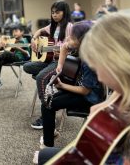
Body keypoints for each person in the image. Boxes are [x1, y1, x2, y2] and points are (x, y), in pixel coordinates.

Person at [34, 13, 130, 164]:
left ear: (114, 61)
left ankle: (48, 139)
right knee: (45, 155)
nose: (101, 78)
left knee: (44, 157)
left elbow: (86, 90)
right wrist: (106, 105)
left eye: (95, 63)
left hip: (88, 99)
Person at [38, 21, 104, 151]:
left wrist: (62, 86)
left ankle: (48, 145)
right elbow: (63, 49)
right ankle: (50, 135)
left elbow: (85, 91)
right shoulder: (82, 48)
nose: (68, 39)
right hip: (81, 91)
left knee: (48, 104)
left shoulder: (89, 60)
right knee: (48, 101)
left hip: (89, 99)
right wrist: (61, 58)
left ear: (81, 40)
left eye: (72, 37)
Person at [23, 0, 73, 129]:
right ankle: (49, 83)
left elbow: (73, 49)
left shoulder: (69, 27)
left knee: (40, 78)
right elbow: (39, 31)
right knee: (27, 66)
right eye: (52, 12)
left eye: (57, 12)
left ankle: (47, 114)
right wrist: (34, 39)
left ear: (65, 12)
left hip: (62, 63)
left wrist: (62, 53)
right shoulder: (52, 26)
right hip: (50, 60)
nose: (54, 15)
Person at [0, 25, 30, 91]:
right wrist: (3, 39)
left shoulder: (24, 41)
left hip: (19, 59)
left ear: (22, 32)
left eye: (16, 31)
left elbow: (28, 54)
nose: (14, 33)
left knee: (6, 53)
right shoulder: (12, 40)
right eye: (13, 32)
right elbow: (4, 43)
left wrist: (18, 48)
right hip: (11, 57)